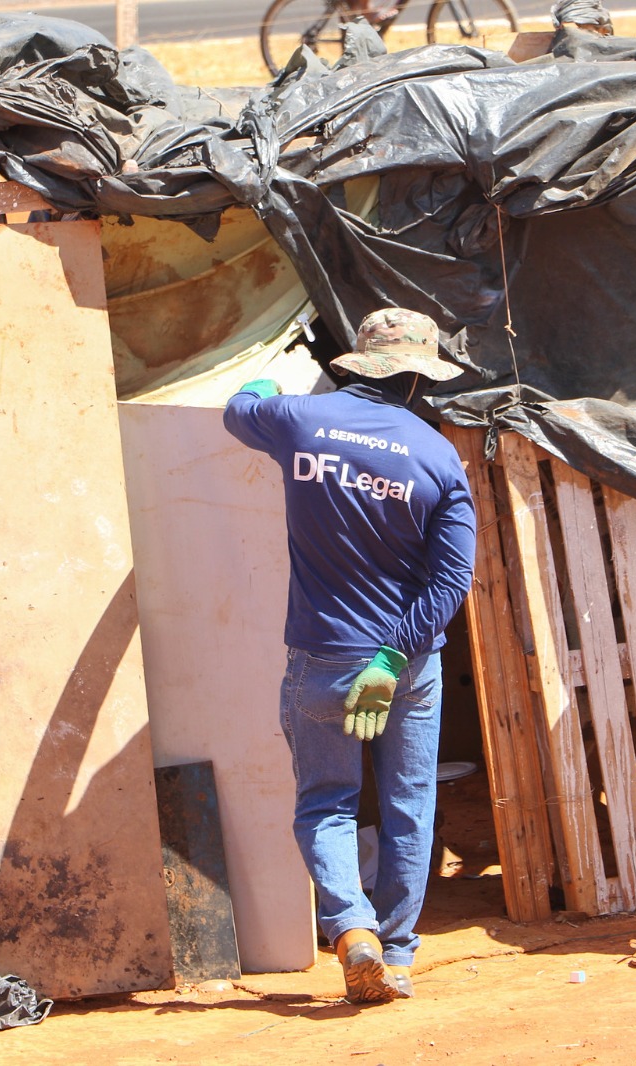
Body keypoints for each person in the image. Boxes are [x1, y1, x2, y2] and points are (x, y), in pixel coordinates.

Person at [222, 308, 476, 1003]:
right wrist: (391, 660)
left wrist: (269, 387)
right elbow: (453, 579)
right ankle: (394, 955)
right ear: (419, 378)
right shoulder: (436, 455)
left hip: (323, 659)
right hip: (409, 669)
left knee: (327, 804)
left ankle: (350, 927)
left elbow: (239, 408)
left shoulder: (299, 423)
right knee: (407, 808)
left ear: (359, 362)